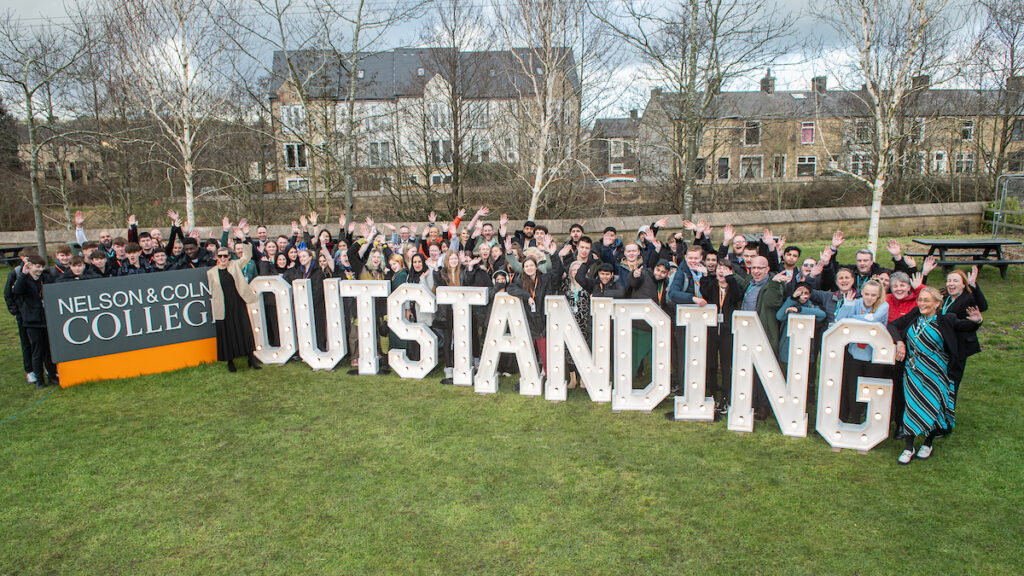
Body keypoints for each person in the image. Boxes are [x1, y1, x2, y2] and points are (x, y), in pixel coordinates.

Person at [888, 287, 982, 464]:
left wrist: (977, 321)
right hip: (913, 370)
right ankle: (909, 447)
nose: (922, 303)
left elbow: (966, 326)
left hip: (936, 372)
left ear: (937, 303)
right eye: (921, 299)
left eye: (927, 301)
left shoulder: (946, 319)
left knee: (933, 406)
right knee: (911, 406)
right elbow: (892, 325)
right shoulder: (915, 314)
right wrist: (899, 342)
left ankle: (928, 443)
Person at [834, 279, 890, 424]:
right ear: (862, 293)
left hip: (874, 355)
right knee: (853, 388)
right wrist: (848, 306)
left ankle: (870, 418)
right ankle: (855, 417)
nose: (869, 298)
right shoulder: (856, 302)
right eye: (866, 294)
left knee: (870, 389)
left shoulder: (883, 306)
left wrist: (852, 318)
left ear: (878, 296)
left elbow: (875, 319)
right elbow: (840, 320)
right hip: (856, 353)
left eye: (873, 295)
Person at [507, 239, 564, 377]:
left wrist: (554, 254)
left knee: (545, 351)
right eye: (526, 266)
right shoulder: (520, 281)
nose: (529, 268)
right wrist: (526, 295)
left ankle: (548, 375)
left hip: (543, 322)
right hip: (529, 322)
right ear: (524, 268)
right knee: (527, 351)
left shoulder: (545, 279)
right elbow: (510, 288)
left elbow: (558, 271)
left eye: (531, 266)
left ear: (536, 267)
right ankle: (527, 375)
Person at [207, 229, 259, 372]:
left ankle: (251, 359)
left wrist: (243, 239)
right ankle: (230, 361)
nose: (223, 258)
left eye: (225, 255)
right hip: (223, 307)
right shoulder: (211, 273)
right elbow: (213, 291)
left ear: (230, 256)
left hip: (238, 303)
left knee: (245, 330)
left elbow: (247, 256)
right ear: (217, 257)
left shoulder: (235, 265)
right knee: (227, 333)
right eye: (220, 256)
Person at [12, 254, 59, 389]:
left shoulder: (45, 278)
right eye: (37, 267)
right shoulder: (24, 280)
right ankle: (39, 379)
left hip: (46, 318)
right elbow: (16, 291)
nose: (40, 269)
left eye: (42, 267)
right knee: (37, 351)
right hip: (32, 321)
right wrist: (23, 274)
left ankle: (51, 375)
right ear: (30, 266)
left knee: (48, 350)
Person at [5, 247, 40, 384]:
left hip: (36, 313)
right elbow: (9, 294)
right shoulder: (15, 273)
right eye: (27, 259)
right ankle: (29, 370)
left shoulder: (38, 271)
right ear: (22, 258)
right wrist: (15, 311)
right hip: (22, 314)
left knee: (39, 342)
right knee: (26, 342)